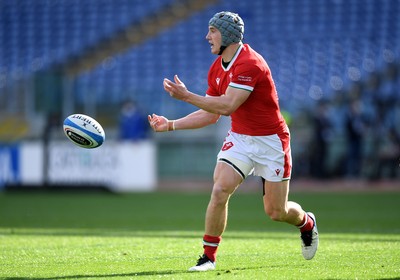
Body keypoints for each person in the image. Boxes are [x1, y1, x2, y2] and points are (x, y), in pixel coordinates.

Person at [148, 11, 319, 272]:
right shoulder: (217, 68)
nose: (207, 37)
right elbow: (210, 114)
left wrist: (186, 96)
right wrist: (170, 124)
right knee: (219, 190)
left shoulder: (250, 63)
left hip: (271, 142)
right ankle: (208, 257)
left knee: (276, 211)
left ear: (227, 35)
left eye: (213, 31)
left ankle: (306, 223)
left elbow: (227, 105)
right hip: (240, 138)